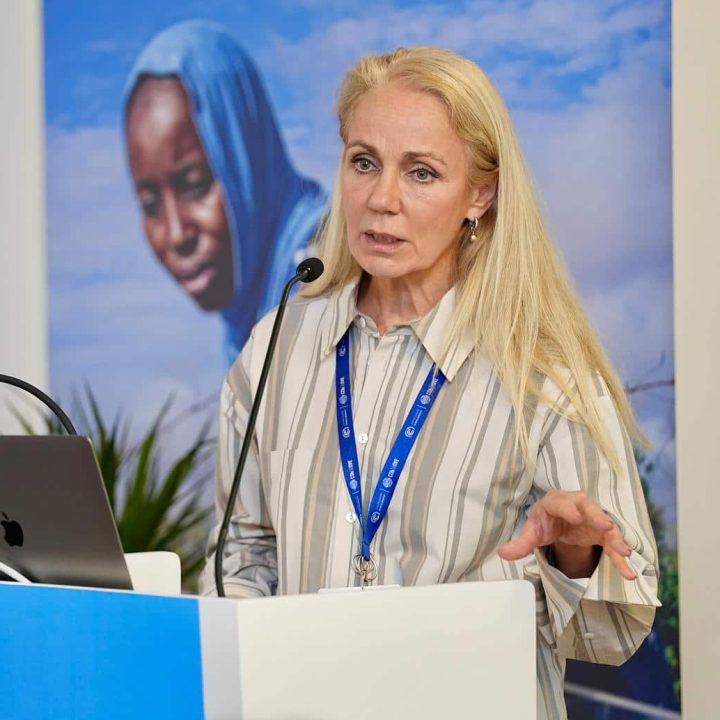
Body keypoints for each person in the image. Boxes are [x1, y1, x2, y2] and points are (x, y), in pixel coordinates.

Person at [200, 47, 659, 720]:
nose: (381, 199)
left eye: (421, 173)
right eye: (364, 163)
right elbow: (238, 562)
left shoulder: (546, 372)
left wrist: (573, 554)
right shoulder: (277, 345)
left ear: (481, 194)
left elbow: (616, 633)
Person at [124, 21, 327, 363]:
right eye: (149, 205)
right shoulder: (251, 321)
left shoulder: (327, 280)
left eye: (195, 185)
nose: (177, 235)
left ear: (246, 152)